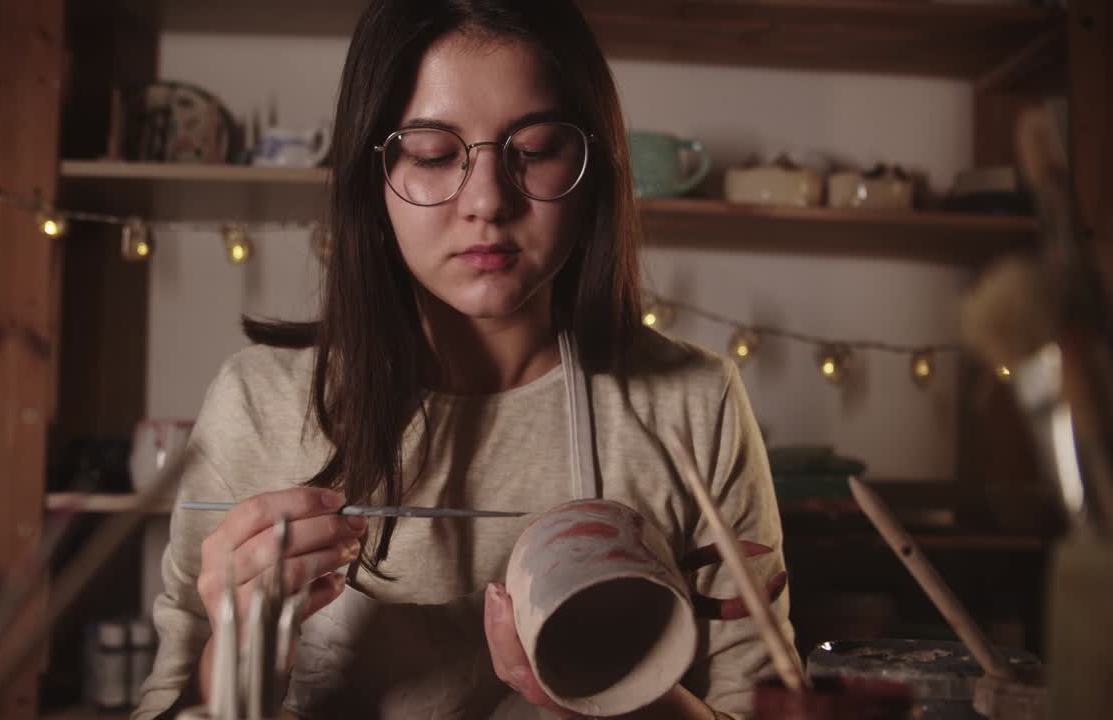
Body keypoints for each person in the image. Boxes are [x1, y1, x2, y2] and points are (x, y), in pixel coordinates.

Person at [135, 0, 795, 718]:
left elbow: (764, 703)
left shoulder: (693, 405)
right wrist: (236, 653)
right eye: (432, 153)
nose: (487, 201)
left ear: (592, 164)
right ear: (372, 173)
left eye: (534, 148)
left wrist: (619, 690)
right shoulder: (257, 404)